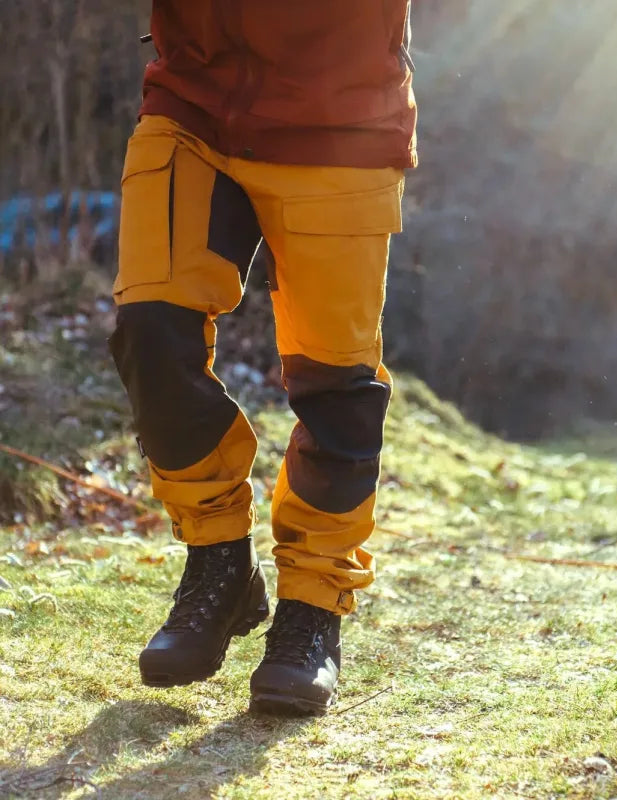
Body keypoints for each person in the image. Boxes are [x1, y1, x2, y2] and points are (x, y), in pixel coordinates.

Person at [109, 1, 417, 716]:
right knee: (151, 329)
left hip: (341, 119)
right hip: (193, 104)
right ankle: (219, 561)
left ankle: (312, 609)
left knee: (335, 382)